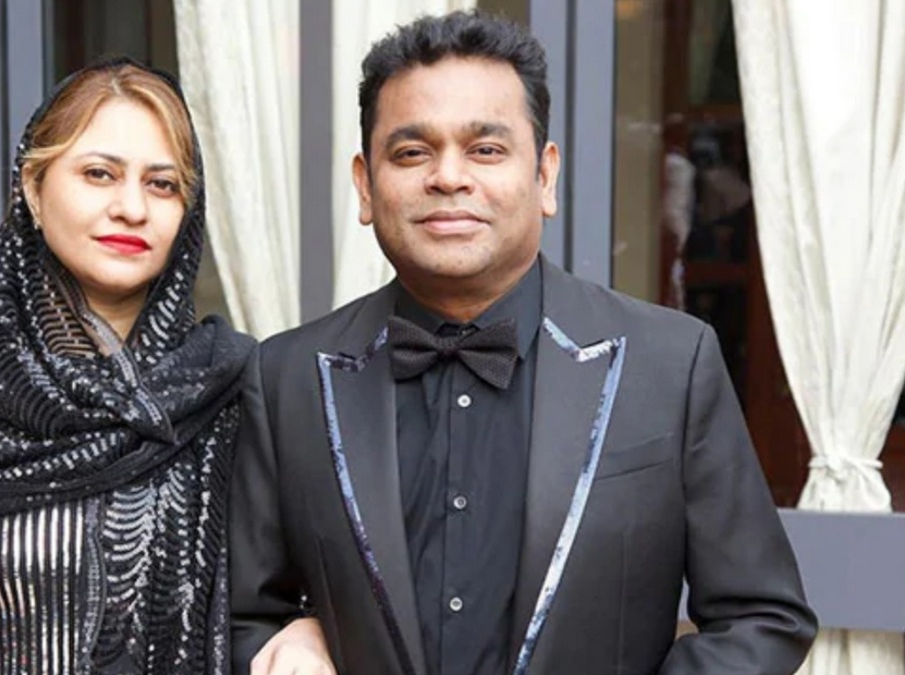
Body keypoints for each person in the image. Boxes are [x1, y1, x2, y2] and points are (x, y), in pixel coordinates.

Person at [230, 12, 817, 675]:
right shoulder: (287, 378)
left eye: (485, 149)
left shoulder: (671, 364)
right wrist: (290, 639)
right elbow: (243, 615)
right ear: (365, 185)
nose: (448, 176)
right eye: (412, 152)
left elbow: (762, 617)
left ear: (545, 176)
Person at [0, 57, 324, 674]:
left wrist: (307, 629)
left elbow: (292, 592)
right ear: (33, 187)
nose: (132, 207)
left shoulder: (231, 387)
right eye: (100, 174)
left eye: (162, 184)